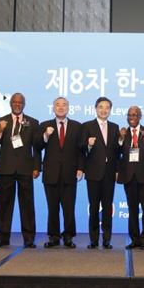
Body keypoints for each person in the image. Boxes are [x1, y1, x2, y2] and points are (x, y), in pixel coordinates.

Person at [0, 93, 40, 248]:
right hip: (6, 168)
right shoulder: (1, 121)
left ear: (24, 104)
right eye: (15, 102)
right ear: (10, 103)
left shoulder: (33, 122)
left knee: (27, 205)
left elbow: (37, 147)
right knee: (4, 205)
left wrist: (37, 167)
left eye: (20, 102)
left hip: (26, 168)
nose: (17, 104)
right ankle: (2, 238)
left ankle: (29, 238)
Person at [36, 97, 84, 249]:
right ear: (53, 108)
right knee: (52, 208)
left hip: (70, 173)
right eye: (57, 105)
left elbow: (81, 150)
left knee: (69, 208)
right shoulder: (45, 125)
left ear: (68, 108)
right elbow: (37, 146)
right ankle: (54, 237)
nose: (61, 107)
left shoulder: (77, 126)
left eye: (64, 105)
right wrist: (45, 135)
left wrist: (81, 168)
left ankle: (68, 236)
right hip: (51, 173)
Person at [117, 106, 144, 250]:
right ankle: (135, 240)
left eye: (135, 115)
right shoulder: (122, 133)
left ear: (140, 117)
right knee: (132, 210)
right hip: (129, 177)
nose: (132, 117)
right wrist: (120, 139)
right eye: (130, 115)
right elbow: (116, 153)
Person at [81, 97, 120, 249]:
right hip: (93, 173)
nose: (104, 110)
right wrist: (88, 144)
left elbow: (117, 152)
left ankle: (107, 239)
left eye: (107, 107)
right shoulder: (87, 126)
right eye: (101, 107)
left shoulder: (115, 127)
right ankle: (93, 239)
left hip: (109, 174)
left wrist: (117, 170)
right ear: (96, 108)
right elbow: (80, 148)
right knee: (94, 208)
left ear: (110, 110)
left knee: (107, 207)